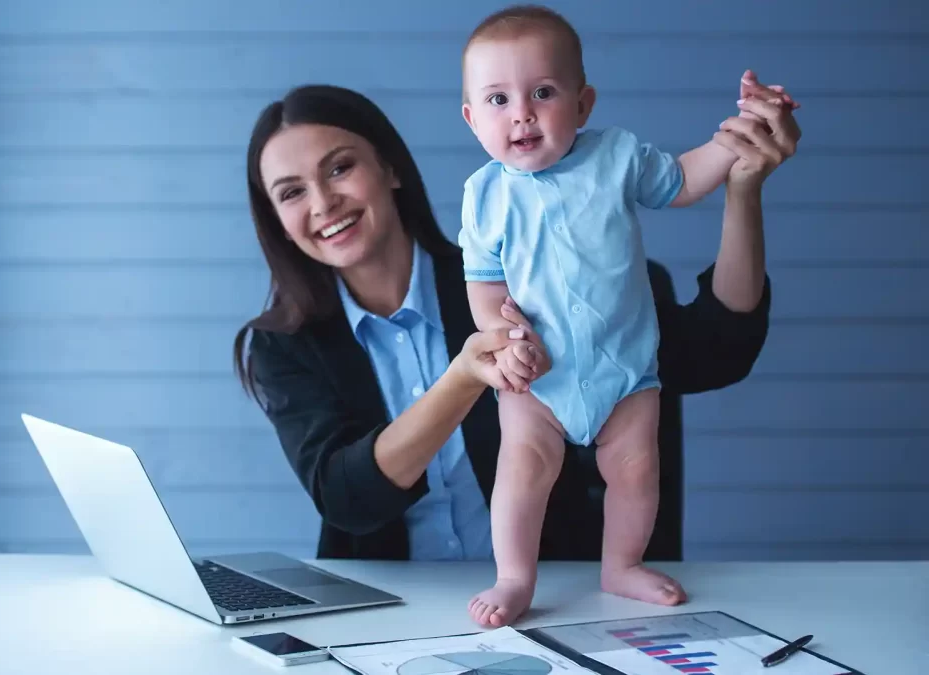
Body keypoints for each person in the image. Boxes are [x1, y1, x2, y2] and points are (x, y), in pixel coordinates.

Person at [232, 75, 799, 624]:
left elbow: (718, 349)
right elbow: (346, 499)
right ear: (276, 220)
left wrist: (742, 191)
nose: (323, 202)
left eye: (340, 168)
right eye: (292, 192)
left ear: (389, 168)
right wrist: (464, 376)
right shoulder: (284, 346)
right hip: (382, 614)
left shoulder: (531, 281)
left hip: (557, 606)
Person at [454, 5, 800, 626]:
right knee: (523, 471)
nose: (522, 113)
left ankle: (621, 565)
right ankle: (515, 577)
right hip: (541, 377)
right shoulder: (484, 195)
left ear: (583, 104)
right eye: (498, 100)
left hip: (627, 366)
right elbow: (483, 283)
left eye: (543, 93)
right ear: (473, 119)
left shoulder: (615, 156)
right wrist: (504, 339)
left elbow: (684, 180)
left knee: (637, 471)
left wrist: (735, 138)